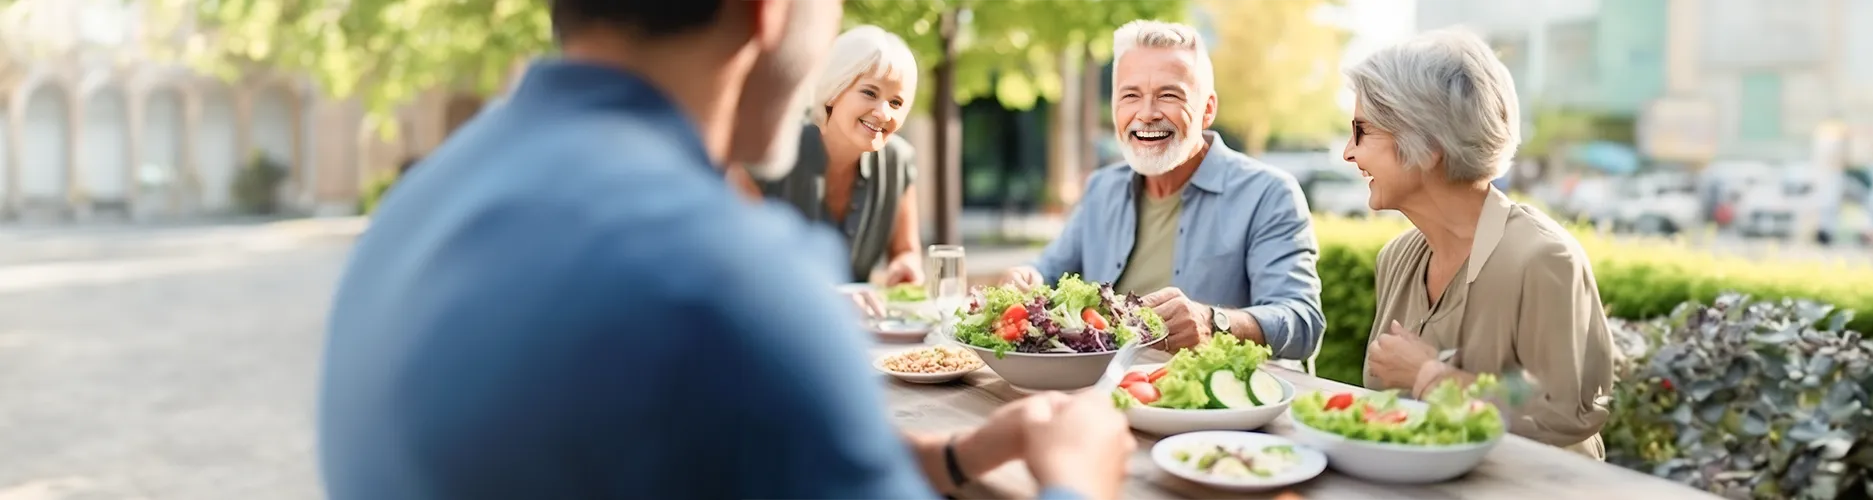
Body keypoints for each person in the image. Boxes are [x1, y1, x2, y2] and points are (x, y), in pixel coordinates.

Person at [318, 1, 1135, 499]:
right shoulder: (728, 277)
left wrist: (955, 456)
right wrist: (1078, 480)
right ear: (768, 9)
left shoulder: (421, 201)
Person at [1344, 28, 1616, 459]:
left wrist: (1431, 376)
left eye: (1362, 131)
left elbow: (1570, 411)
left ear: (1428, 141)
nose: (1348, 153)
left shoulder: (1544, 259)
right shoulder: (1396, 260)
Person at [1001, 20, 1325, 365]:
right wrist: (1025, 279)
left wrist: (1214, 322)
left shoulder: (1269, 193)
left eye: (1169, 95)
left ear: (1208, 110)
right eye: (1130, 96)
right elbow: (1048, 271)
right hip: (1106, 394)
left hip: (1214, 406)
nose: (1147, 113)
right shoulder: (1102, 188)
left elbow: (1303, 322)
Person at [751, 26, 926, 286]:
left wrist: (905, 268)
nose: (883, 113)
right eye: (870, 92)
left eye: (896, 103)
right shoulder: (773, 151)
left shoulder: (897, 161)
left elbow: (905, 252)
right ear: (835, 89)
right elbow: (742, 265)